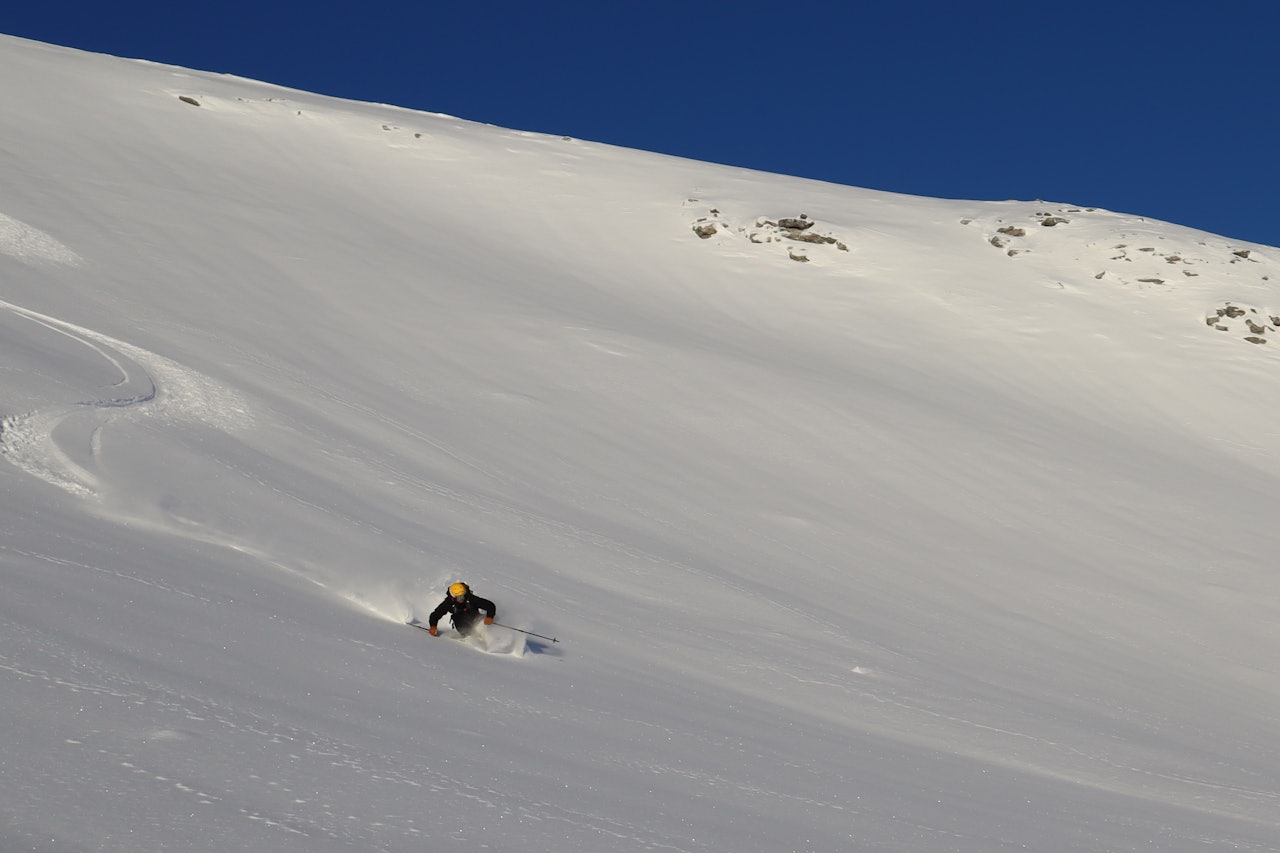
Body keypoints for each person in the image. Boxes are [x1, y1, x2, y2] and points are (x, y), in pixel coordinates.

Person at [427, 582, 496, 637]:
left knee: (485, 629)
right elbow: (435, 615)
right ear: (453, 597)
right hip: (463, 626)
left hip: (477, 620)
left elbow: (490, 605)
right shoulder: (448, 603)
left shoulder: (470, 598)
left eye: (462, 596)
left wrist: (490, 616)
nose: (461, 599)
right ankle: (470, 636)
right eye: (459, 597)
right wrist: (433, 626)